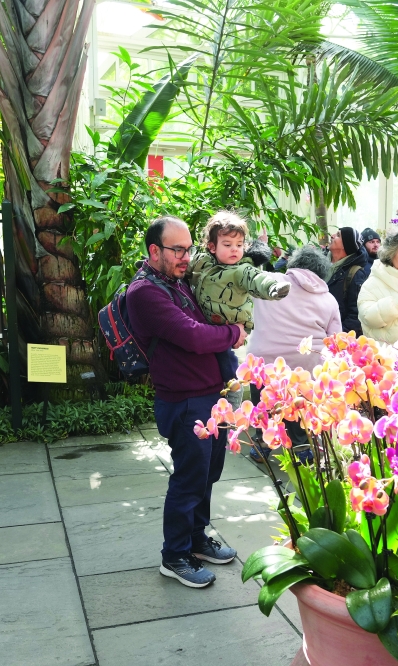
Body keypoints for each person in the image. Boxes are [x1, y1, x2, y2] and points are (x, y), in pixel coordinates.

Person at [127, 216, 246, 589]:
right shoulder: (144, 292)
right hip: (184, 401)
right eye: (177, 249)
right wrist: (233, 333)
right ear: (154, 250)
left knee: (208, 474)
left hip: (211, 395)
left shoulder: (178, 282)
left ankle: (196, 538)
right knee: (189, 478)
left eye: (188, 248)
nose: (185, 256)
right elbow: (192, 336)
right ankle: (175, 555)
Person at [246, 245, 342, 463]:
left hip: (264, 362)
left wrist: (261, 247)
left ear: (294, 263)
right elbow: (335, 339)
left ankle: (262, 445)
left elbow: (247, 275)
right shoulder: (328, 299)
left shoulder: (269, 282)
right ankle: (301, 447)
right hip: (305, 365)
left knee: (264, 405)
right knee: (299, 409)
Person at [187, 211, 290, 385]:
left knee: (229, 364)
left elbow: (257, 279)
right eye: (227, 244)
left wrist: (273, 288)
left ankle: (235, 391)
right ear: (212, 247)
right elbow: (185, 268)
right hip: (206, 324)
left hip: (229, 327)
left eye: (239, 244)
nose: (234, 249)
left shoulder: (241, 270)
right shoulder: (202, 261)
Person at [326, 227, 368, 336]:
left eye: (338, 235)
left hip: (337, 338)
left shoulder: (355, 274)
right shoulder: (320, 265)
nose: (332, 236)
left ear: (345, 245)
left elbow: (356, 315)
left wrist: (337, 336)